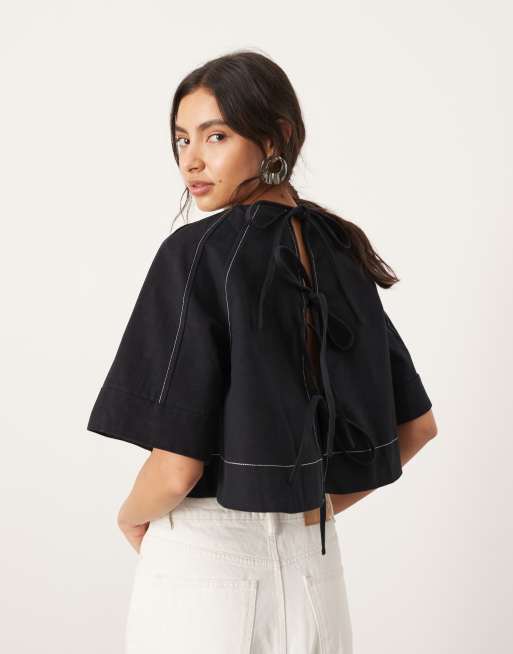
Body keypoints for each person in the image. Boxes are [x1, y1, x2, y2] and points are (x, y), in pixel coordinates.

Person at [86, 50, 438, 654]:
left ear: (276, 138)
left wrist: (130, 515)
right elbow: (417, 428)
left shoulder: (197, 253)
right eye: (181, 140)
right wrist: (309, 507)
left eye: (215, 136)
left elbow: (176, 469)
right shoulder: (340, 251)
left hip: (206, 571)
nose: (191, 160)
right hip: (316, 574)